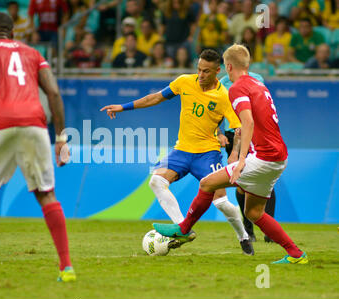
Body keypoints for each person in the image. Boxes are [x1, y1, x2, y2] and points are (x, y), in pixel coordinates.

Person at [154, 44, 308, 264]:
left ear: (227, 66)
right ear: (247, 64)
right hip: (279, 157)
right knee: (254, 213)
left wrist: (241, 158)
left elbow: (247, 122)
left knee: (207, 183)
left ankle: (183, 229)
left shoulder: (236, 88)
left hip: (261, 157)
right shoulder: (259, 84)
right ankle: (296, 254)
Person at [0, 12, 76, 282]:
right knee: (46, 194)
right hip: (34, 123)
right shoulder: (33, 53)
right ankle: (66, 267)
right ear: (13, 33)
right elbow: (53, 93)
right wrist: (61, 139)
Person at [101, 49, 254, 255]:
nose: (200, 75)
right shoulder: (184, 82)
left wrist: (234, 152)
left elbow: (238, 128)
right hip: (181, 150)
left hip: (207, 153)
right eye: (199, 69)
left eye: (206, 71)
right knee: (156, 181)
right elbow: (155, 98)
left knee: (221, 202)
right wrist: (123, 106)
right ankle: (183, 228)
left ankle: (243, 236)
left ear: (218, 71)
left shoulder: (224, 96)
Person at [219, 68, 277, 243]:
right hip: (233, 134)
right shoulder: (223, 82)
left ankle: (270, 231)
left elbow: (261, 107)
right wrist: (218, 132)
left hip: (254, 133)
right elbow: (218, 109)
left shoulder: (257, 78)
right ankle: (248, 230)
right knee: (241, 183)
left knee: (266, 181)